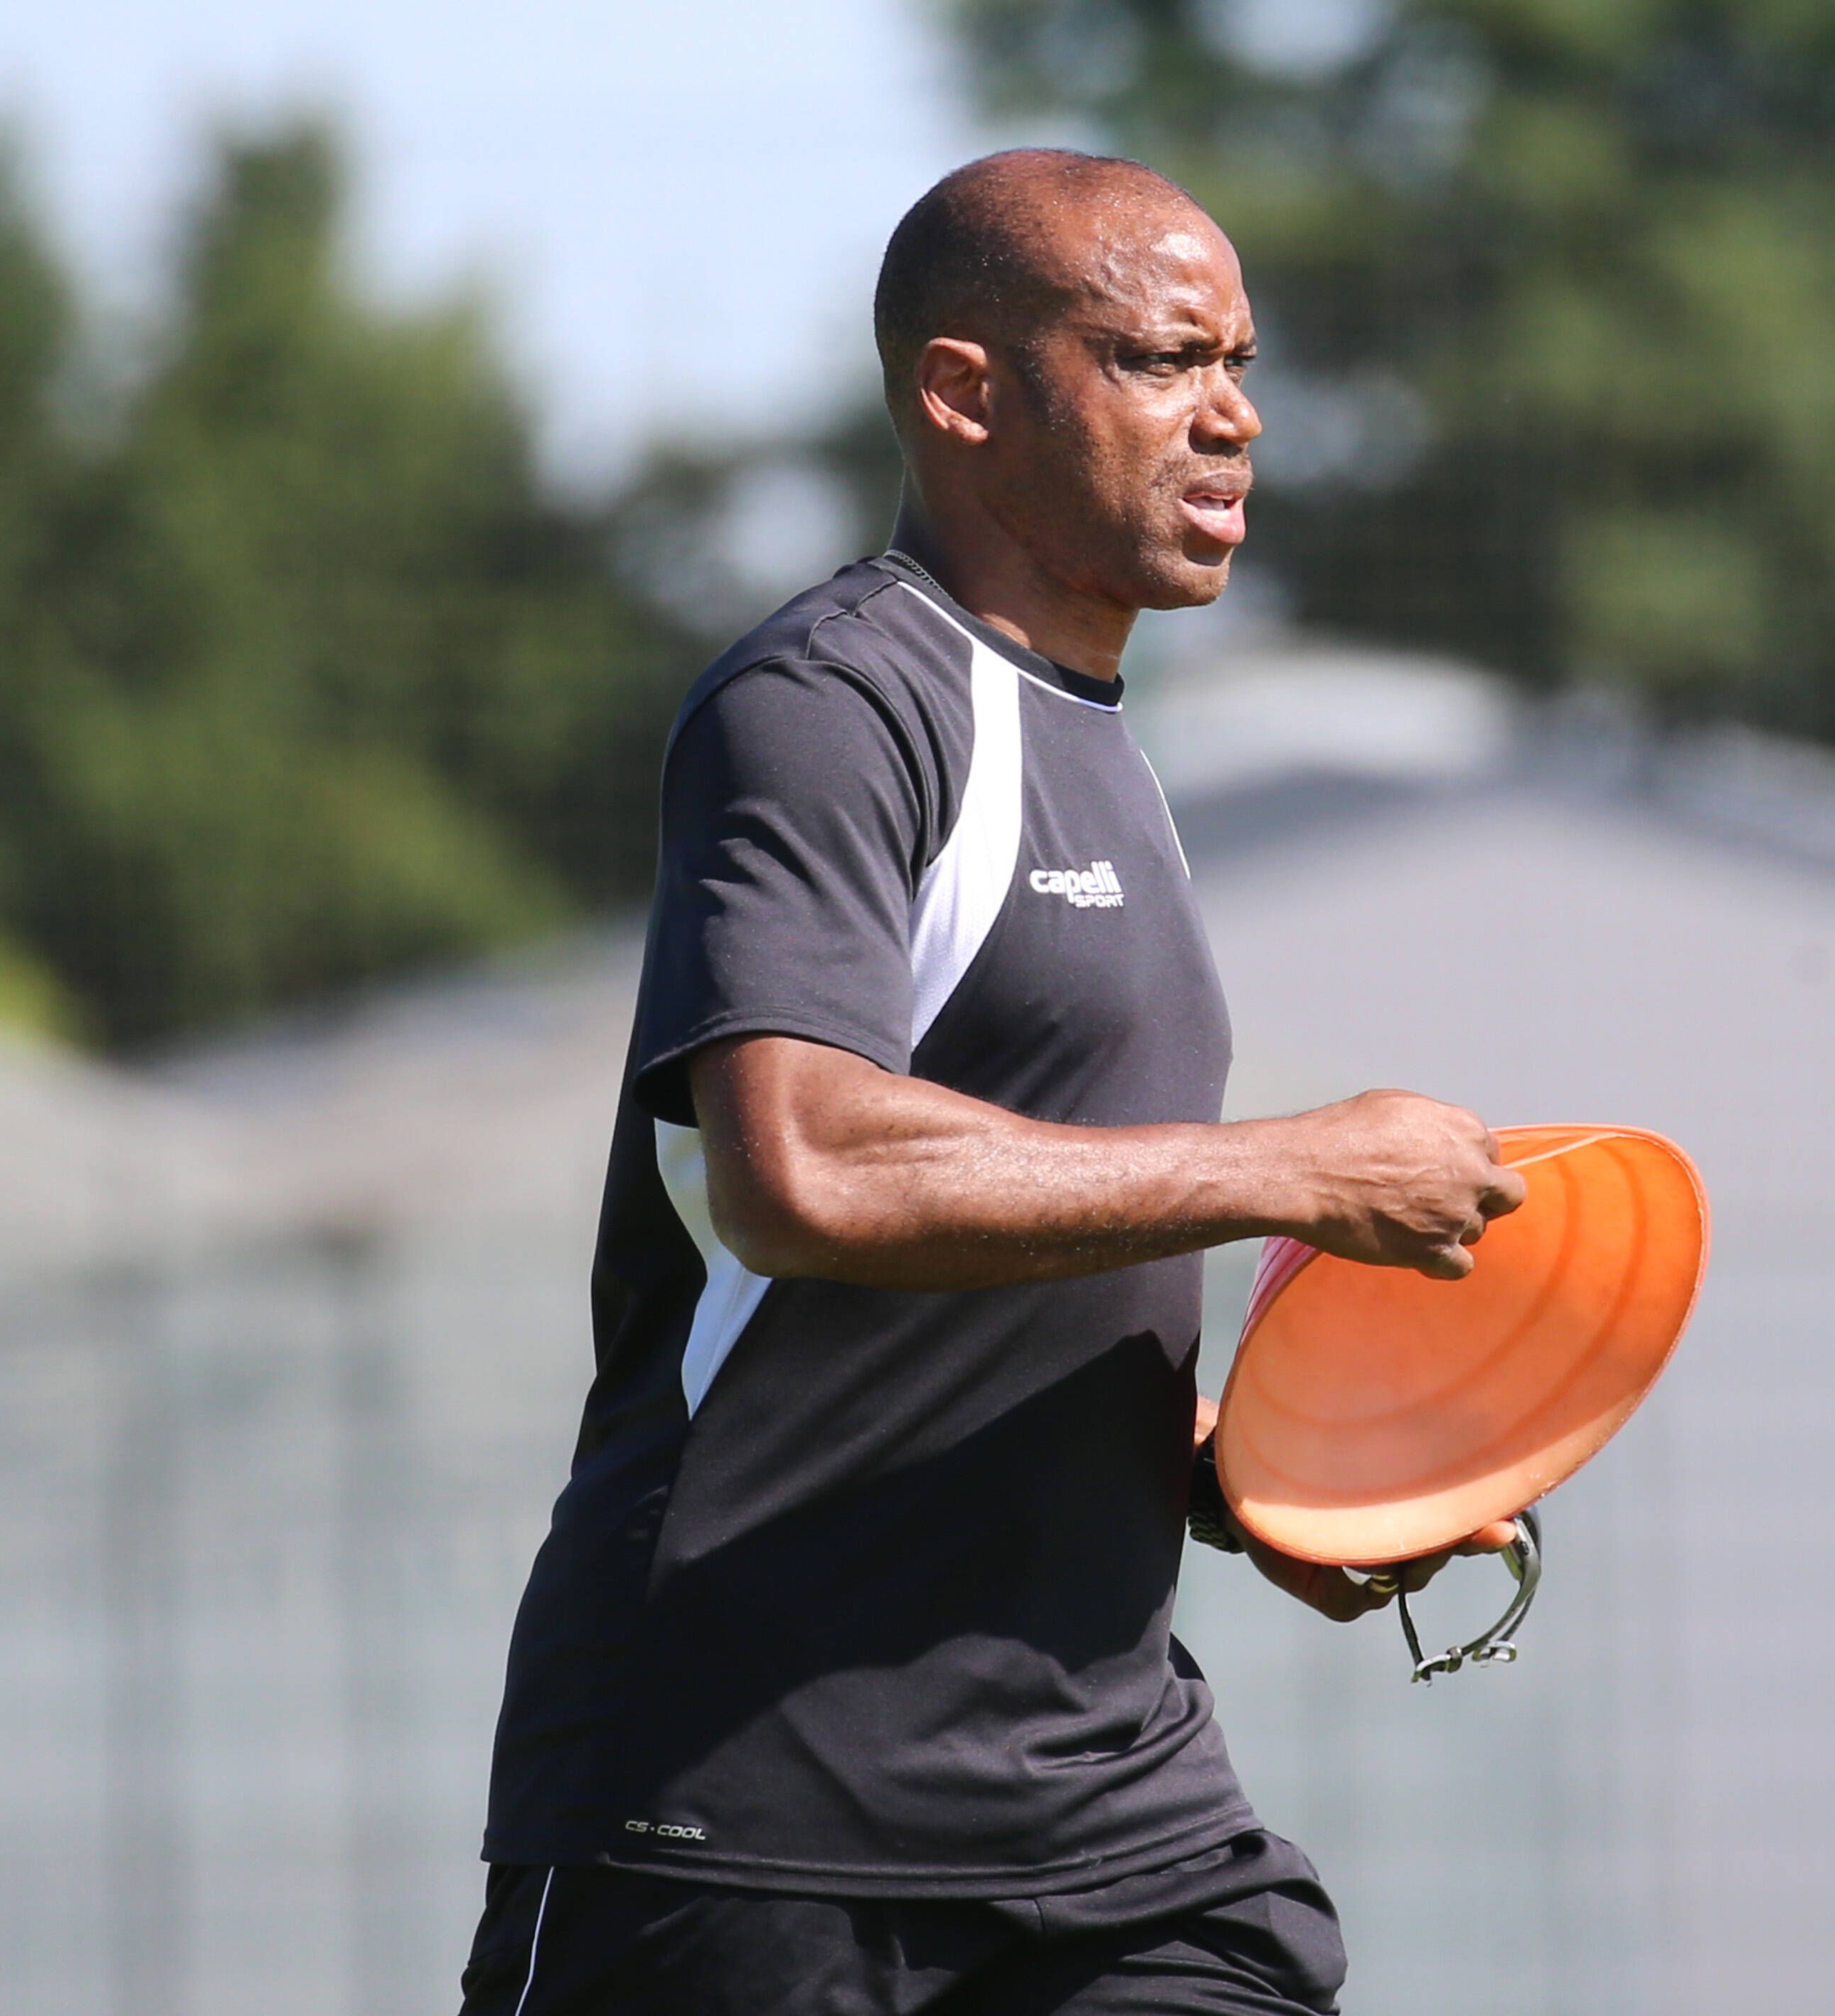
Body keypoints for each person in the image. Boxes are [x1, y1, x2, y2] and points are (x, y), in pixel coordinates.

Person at [459, 147, 1526, 2015]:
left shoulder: (1102, 744)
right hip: (743, 1795)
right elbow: (801, 1171)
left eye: (1238, 362)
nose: (1234, 415)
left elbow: (1030, 1225)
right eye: (1159, 359)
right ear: (964, 393)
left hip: (1101, 1809)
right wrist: (1290, 1166)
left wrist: (1241, 1478)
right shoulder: (827, 703)